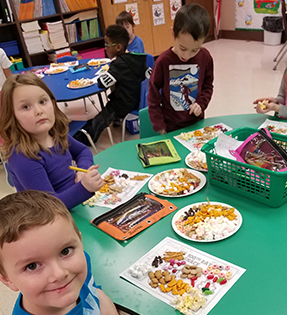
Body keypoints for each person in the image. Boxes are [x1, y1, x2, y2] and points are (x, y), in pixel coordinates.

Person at [0, 190, 119, 315]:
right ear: (7, 279)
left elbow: (93, 292)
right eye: (32, 266)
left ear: (79, 241)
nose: (59, 274)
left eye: (65, 251)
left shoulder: (80, 265)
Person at [0, 72, 103, 210]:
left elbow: (83, 151)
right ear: (12, 116)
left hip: (74, 205)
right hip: (50, 218)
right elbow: (50, 206)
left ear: (53, 103)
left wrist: (82, 170)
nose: (39, 111)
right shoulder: (22, 157)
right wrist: (84, 187)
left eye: (42, 101)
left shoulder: (55, 134)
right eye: (26, 107)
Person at [74, 25, 150, 144]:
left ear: (118, 47)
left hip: (123, 104)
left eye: (106, 45)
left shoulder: (119, 65)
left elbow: (103, 84)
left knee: (99, 120)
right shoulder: (136, 59)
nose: (105, 49)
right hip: (138, 100)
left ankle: (86, 140)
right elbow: (149, 73)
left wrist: (105, 74)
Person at [148, 4, 214, 134]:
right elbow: (153, 94)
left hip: (197, 124)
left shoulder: (205, 57)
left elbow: (208, 87)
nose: (186, 55)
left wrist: (201, 104)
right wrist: (159, 125)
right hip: (170, 127)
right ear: (173, 34)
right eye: (182, 48)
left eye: (195, 50)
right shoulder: (163, 61)